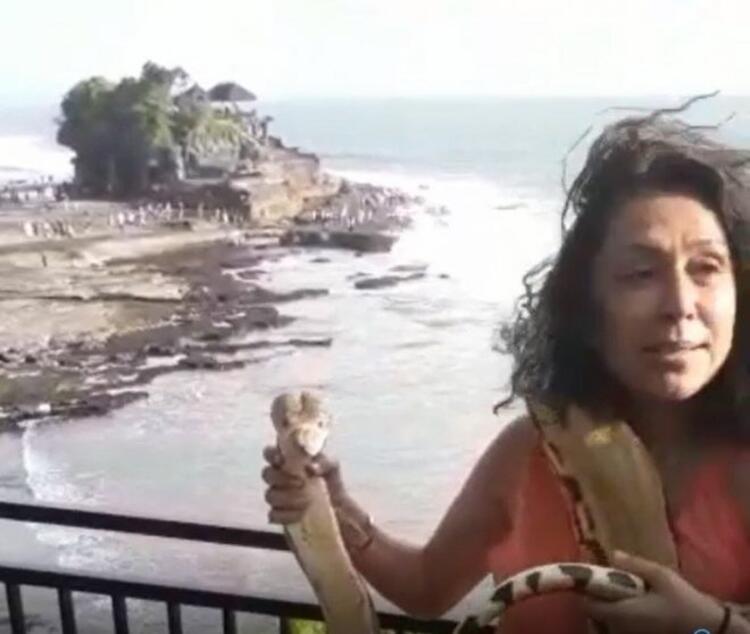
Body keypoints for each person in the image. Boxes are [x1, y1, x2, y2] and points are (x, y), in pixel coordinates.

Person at [262, 112, 750, 634]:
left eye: (706, 268)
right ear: (585, 309)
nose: (680, 304)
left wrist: (711, 626)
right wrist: (336, 511)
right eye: (641, 273)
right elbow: (426, 588)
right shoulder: (531, 452)